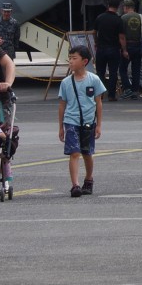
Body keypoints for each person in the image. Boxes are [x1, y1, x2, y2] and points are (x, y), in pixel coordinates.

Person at [57, 43, 107, 196]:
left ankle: (89, 179)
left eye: (74, 58)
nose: (71, 61)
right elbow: (62, 105)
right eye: (70, 58)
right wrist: (60, 127)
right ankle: (75, 185)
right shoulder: (66, 82)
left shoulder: (94, 79)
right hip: (71, 121)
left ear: (84, 61)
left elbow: (98, 103)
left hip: (88, 122)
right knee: (74, 152)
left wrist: (99, 125)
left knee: (87, 153)